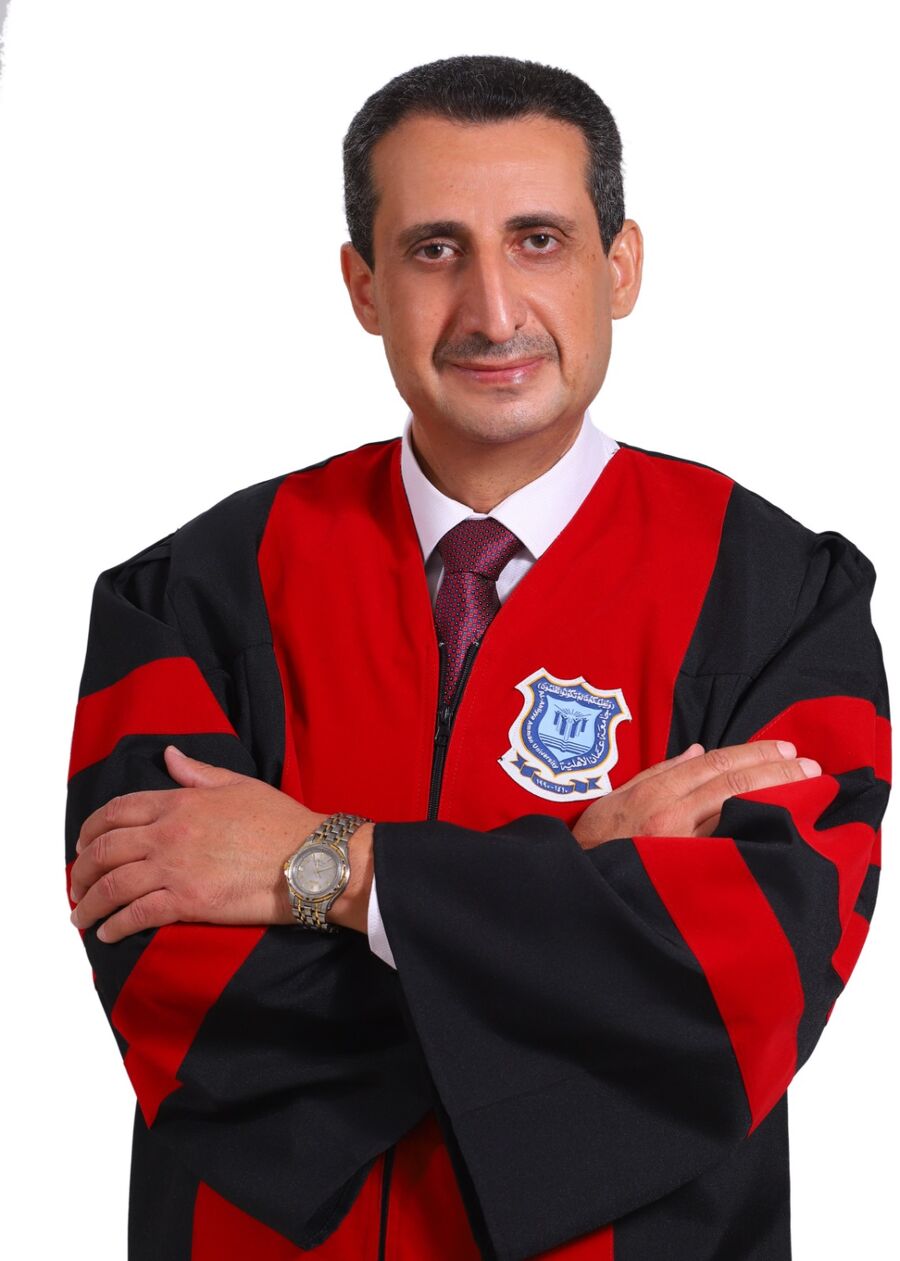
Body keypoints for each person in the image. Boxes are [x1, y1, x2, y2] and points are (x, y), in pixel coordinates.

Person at [65, 54, 890, 1261]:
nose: (494, 311)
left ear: (621, 267)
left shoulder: (776, 601)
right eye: (435, 249)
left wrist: (328, 868)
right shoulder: (190, 596)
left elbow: (737, 994)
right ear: (364, 285)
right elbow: (184, 1010)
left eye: (539, 241)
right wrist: (580, 892)